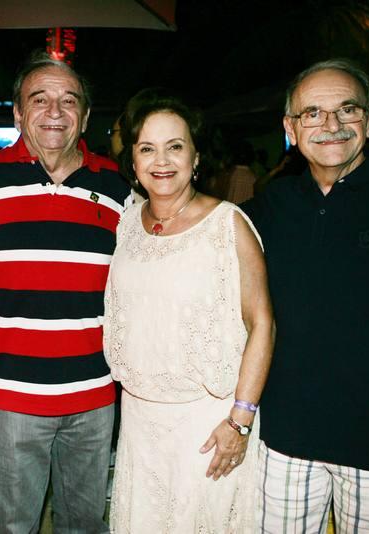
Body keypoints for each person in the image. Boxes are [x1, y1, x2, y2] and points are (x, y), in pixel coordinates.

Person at [242, 58, 369, 532]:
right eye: (313, 113)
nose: (331, 125)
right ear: (290, 128)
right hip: (283, 442)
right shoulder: (271, 205)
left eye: (347, 110)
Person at [0, 53, 132, 532]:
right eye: (39, 100)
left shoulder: (117, 187)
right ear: (18, 113)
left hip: (93, 394)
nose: (55, 111)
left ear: (85, 115)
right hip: (8, 396)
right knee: (16, 525)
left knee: (86, 523)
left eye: (68, 100)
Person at [104, 94, 273, 532]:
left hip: (208, 424)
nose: (161, 160)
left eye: (175, 146)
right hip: (140, 421)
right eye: (147, 148)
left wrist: (240, 421)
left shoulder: (227, 224)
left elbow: (262, 324)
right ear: (133, 161)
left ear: (196, 157)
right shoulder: (127, 222)